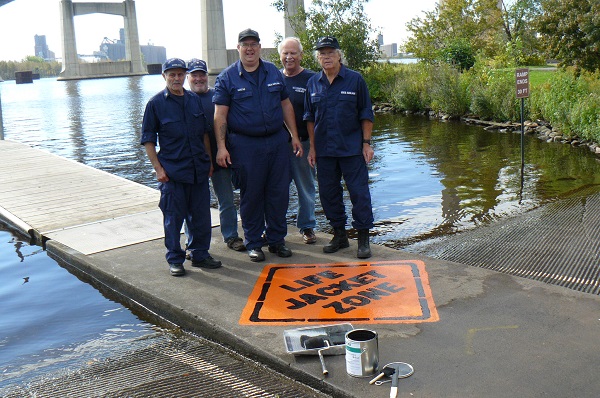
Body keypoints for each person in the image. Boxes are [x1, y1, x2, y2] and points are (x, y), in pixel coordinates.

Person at [213, 28, 304, 262]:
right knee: (251, 195)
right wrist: (222, 147)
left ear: (260, 47)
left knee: (279, 193)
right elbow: (220, 116)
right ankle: (253, 242)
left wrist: (294, 135)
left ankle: (276, 240)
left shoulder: (273, 71)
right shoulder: (227, 77)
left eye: (254, 44)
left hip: (276, 141)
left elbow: (286, 105)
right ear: (239, 48)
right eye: (245, 45)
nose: (250, 48)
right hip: (245, 144)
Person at [141, 58, 222, 276]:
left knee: (201, 217)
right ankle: (175, 259)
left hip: (198, 170)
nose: (176, 78)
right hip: (173, 174)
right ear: (164, 76)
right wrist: (158, 169)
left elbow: (204, 133)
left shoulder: (194, 100)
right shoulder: (155, 104)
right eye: (172, 74)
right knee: (173, 220)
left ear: (185, 76)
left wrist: (209, 161)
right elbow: (148, 140)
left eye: (180, 74)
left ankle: (200, 254)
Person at [304, 36, 375, 259]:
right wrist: (312, 149)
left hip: (352, 149)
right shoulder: (313, 83)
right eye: (322, 53)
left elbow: (366, 113)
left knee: (359, 194)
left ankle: (363, 239)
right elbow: (309, 119)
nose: (326, 57)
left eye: (330, 52)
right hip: (324, 151)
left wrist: (366, 143)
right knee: (328, 195)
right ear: (318, 57)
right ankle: (340, 235)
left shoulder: (355, 80)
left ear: (339, 54)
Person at [186, 58, 246, 252]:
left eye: (201, 74)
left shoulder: (218, 95)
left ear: (207, 76)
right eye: (194, 75)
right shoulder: (183, 99)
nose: (198, 78)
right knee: (193, 204)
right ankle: (192, 242)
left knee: (227, 200)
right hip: (195, 162)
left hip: (223, 158)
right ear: (188, 77)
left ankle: (231, 236)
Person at [278, 37, 318, 245]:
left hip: (303, 143)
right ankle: (276, 228)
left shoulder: (312, 79)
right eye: (285, 53)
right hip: (278, 146)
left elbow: (317, 114)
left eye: (293, 53)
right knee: (277, 189)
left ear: (301, 55)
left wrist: (313, 147)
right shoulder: (273, 78)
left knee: (305, 187)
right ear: (280, 56)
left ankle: (307, 226)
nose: (289, 57)